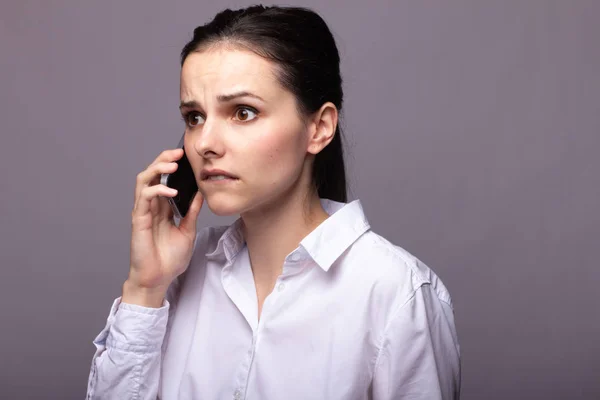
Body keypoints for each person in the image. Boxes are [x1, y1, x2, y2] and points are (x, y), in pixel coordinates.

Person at [85, 5, 460, 400]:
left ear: (319, 128)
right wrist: (145, 288)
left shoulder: (396, 294)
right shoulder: (173, 277)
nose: (205, 143)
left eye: (243, 112)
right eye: (194, 117)